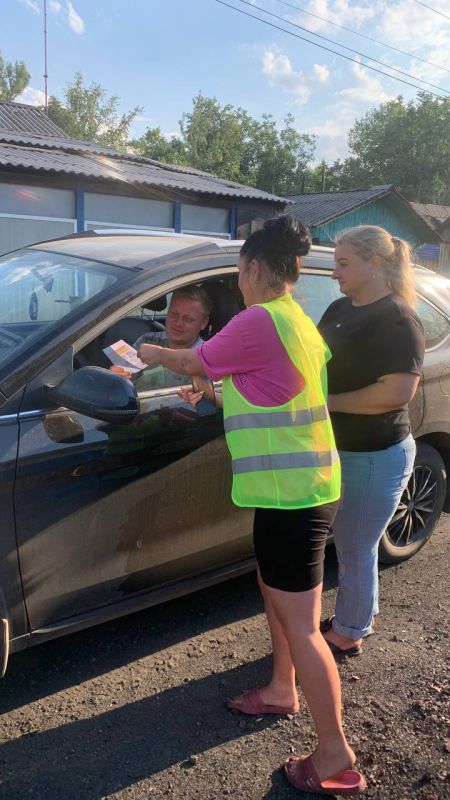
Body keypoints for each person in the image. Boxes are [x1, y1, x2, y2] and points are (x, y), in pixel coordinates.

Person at [137, 215, 366, 797]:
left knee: (303, 625)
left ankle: (335, 752)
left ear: (255, 268)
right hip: (299, 489)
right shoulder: (294, 321)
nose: (237, 282)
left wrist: (150, 350)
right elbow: (266, 388)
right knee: (276, 594)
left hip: (295, 498)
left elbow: (192, 359)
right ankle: (280, 688)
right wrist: (221, 392)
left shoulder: (259, 319)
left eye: (240, 272)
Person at [317, 225, 425, 658]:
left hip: (375, 454)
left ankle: (348, 632)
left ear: (375, 263)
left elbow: (396, 392)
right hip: (345, 449)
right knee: (354, 544)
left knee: (356, 548)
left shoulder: (397, 318)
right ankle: (362, 613)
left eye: (343, 263)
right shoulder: (341, 308)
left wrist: (326, 403)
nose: (334, 273)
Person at [111, 286, 212, 388]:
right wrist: (119, 375)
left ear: (204, 323)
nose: (178, 323)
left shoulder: (207, 357)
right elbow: (125, 377)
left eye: (188, 319)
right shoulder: (148, 340)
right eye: (174, 314)